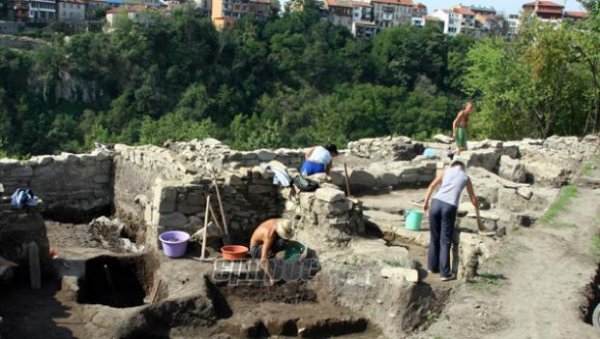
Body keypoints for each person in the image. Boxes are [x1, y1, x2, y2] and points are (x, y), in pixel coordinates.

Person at [423, 156, 479, 281]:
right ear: (463, 166)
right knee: (445, 240)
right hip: (449, 206)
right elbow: (473, 198)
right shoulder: (465, 177)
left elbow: (431, 186)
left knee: (434, 237)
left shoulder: (446, 171)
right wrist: (477, 204)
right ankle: (445, 273)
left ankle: (432, 267)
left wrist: (426, 202)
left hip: (436, 202)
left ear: (453, 165)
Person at [249, 218, 295, 284]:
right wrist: (271, 277)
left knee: (285, 243)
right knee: (283, 243)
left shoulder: (280, 222)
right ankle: (271, 264)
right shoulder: (269, 235)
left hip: (266, 242)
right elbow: (263, 259)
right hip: (256, 249)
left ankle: (275, 261)